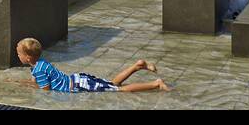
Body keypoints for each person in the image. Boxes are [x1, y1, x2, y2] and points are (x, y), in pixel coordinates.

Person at [15, 38, 169, 94]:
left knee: (118, 90)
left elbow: (46, 91)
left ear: (28, 57)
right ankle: (137, 65)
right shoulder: (41, 64)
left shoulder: (39, 70)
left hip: (76, 86)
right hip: (78, 79)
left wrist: (30, 88)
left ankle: (156, 84)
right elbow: (38, 82)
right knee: (112, 84)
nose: (17, 55)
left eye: (19, 53)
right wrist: (22, 83)